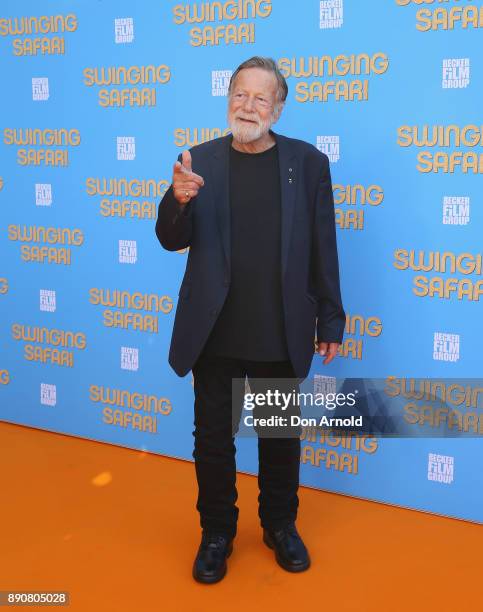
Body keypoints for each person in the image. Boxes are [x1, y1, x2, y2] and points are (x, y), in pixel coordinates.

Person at [155, 56, 345, 584]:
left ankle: (280, 526)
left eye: (261, 98)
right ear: (228, 98)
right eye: (240, 94)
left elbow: (323, 249)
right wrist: (178, 200)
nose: (249, 105)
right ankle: (216, 533)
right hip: (214, 333)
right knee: (212, 441)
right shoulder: (199, 162)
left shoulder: (307, 164)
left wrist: (330, 318)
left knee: (278, 439)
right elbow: (171, 238)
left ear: (278, 107)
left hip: (276, 330)